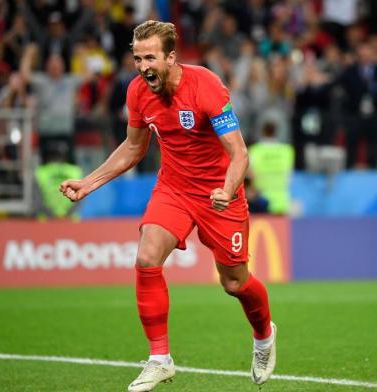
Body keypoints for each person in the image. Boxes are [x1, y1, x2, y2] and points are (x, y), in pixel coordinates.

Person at [60, 20, 277, 391]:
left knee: (234, 282)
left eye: (150, 58)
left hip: (217, 196)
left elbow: (238, 152)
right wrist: (88, 183)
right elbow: (133, 148)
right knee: (146, 257)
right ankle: (160, 359)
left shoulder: (206, 86)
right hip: (173, 188)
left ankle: (264, 335)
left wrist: (227, 189)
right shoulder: (137, 92)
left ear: (171, 57)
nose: (143, 66)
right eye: (137, 58)